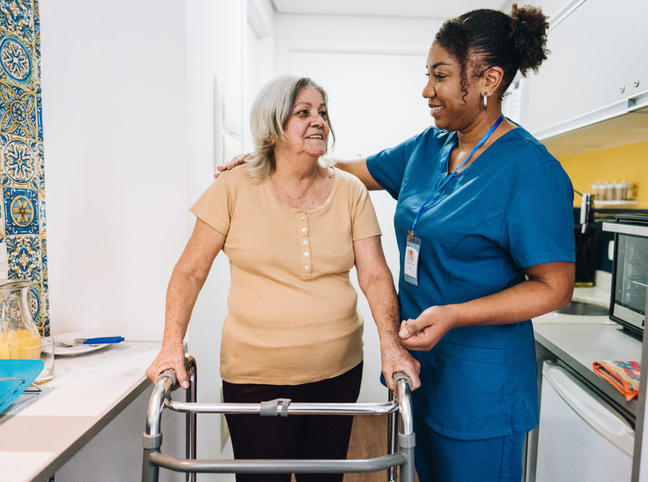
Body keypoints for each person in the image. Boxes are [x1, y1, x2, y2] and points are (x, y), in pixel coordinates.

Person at [221, 6, 575, 481]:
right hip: (415, 368)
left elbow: (555, 286)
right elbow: (345, 171)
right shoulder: (431, 146)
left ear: (489, 80)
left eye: (441, 75)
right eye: (427, 75)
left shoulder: (531, 170)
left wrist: (455, 314)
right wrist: (274, 158)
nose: (427, 90)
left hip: (481, 386)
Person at [146, 75, 420, 482]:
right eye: (303, 112)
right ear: (273, 126)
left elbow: (376, 275)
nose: (319, 122)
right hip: (254, 377)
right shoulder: (233, 188)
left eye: (323, 113)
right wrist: (171, 344)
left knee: (325, 479)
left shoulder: (350, 192)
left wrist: (391, 346)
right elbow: (189, 272)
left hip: (338, 374)